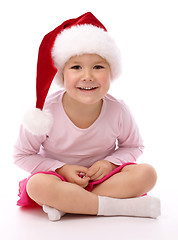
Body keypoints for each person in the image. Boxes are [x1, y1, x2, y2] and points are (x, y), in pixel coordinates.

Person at [14, 12, 160, 221]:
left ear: (111, 72)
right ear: (62, 74)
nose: (88, 76)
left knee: (147, 174)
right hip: (58, 181)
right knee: (37, 185)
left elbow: (134, 147)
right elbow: (22, 155)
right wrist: (62, 169)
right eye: (76, 67)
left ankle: (70, 205)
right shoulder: (46, 111)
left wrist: (110, 164)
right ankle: (119, 207)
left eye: (98, 67)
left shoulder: (118, 110)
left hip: (105, 180)